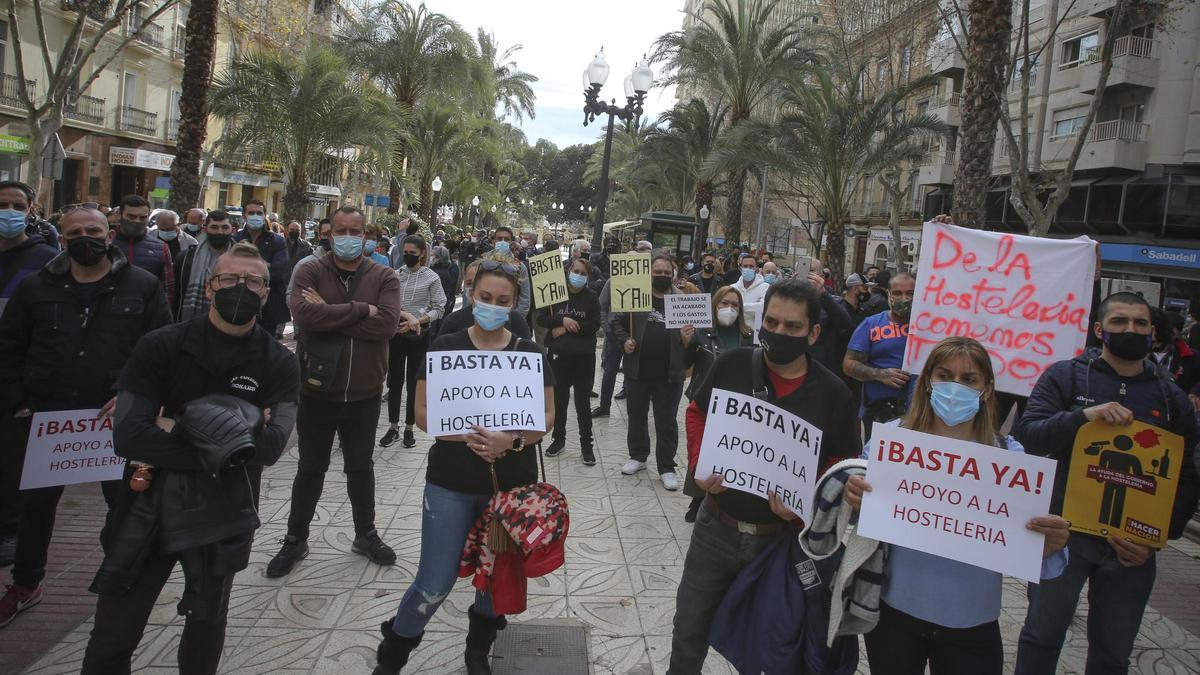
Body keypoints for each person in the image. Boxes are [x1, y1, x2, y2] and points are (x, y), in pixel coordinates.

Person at [79, 243, 299, 673]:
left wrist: (174, 423)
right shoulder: (162, 345)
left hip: (224, 511)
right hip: (147, 502)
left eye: (253, 281)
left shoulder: (278, 362)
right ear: (211, 285)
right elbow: (129, 435)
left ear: (267, 292)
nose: (242, 287)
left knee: (206, 626)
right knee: (113, 634)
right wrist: (237, 435)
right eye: (231, 279)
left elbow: (271, 448)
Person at [371, 253, 554, 675]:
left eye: (502, 299)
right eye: (485, 296)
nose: (493, 305)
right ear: (471, 295)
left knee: (496, 578)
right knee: (435, 580)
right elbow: (421, 412)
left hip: (510, 491)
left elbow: (546, 417)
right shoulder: (444, 347)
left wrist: (512, 440)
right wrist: (469, 437)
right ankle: (395, 649)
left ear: (514, 304)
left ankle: (478, 649)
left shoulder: (530, 353)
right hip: (450, 484)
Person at [844, 337, 1071, 675]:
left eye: (969, 380)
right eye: (944, 376)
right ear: (928, 382)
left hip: (972, 622)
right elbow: (858, 514)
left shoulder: (1011, 459)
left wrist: (1050, 546)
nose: (955, 388)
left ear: (987, 390)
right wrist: (855, 497)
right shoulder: (892, 442)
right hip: (895, 613)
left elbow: (1038, 551)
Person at [669, 279, 860, 673]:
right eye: (771, 322)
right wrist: (698, 464)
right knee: (688, 630)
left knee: (765, 647)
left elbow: (843, 462)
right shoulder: (731, 364)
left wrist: (805, 506)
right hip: (715, 529)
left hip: (780, 545)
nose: (779, 333)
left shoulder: (834, 393)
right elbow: (697, 412)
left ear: (814, 332)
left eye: (792, 327)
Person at [0, 204, 171, 628]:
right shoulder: (36, 288)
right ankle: (25, 584)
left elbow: (161, 349)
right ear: (62, 238)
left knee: (124, 504)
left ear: (109, 234)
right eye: (74, 232)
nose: (85, 238)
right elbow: (9, 349)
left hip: (116, 417)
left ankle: (122, 579)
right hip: (47, 416)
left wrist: (136, 397)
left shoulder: (143, 286)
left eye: (93, 229)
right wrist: (20, 401)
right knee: (36, 507)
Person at [1013, 291, 1200, 675]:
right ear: (1100, 330)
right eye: (1119, 322)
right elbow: (1030, 434)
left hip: (1131, 548)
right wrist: (1082, 417)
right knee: (1041, 636)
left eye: (1140, 323)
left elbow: (1186, 474)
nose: (1130, 329)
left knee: (1113, 652)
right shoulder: (1064, 376)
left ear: (1153, 333)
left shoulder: (1172, 399)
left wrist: (1155, 539)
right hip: (1063, 536)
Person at [267, 206, 402, 577]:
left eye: (354, 231)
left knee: (361, 468)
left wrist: (332, 313)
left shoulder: (384, 275)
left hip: (365, 392)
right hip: (317, 391)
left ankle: (366, 534)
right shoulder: (310, 270)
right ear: (329, 233)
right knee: (310, 467)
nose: (347, 236)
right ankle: (295, 539)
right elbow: (304, 317)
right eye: (340, 230)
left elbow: (388, 325)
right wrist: (361, 310)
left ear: (365, 235)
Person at [0, 181, 57, 566]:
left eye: (16, 204)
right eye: (2, 204)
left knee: (11, 456)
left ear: (31, 208)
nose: (9, 211)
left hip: (19, 374)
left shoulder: (46, 259)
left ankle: (8, 529)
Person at [611, 255, 691, 491]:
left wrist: (688, 339)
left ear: (673, 274)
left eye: (667, 272)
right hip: (638, 372)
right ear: (649, 273)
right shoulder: (636, 295)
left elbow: (694, 336)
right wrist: (624, 341)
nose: (662, 275)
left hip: (670, 375)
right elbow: (617, 322)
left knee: (666, 423)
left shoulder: (682, 300)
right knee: (636, 416)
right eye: (658, 271)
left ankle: (666, 467)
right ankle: (638, 456)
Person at [680, 285, 753, 522]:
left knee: (728, 451)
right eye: (724, 303)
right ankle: (697, 498)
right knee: (701, 449)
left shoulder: (748, 335)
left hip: (736, 404)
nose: (729, 309)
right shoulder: (700, 331)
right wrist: (685, 343)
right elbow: (685, 364)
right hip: (705, 399)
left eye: (734, 305)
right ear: (715, 305)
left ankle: (724, 496)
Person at [380, 235, 447, 449]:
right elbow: (386, 303)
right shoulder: (394, 275)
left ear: (422, 254)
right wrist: (402, 317)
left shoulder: (432, 277)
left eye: (412, 253)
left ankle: (409, 428)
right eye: (405, 252)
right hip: (397, 332)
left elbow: (439, 307)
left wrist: (418, 320)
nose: (408, 256)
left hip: (419, 334)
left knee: (414, 382)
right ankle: (393, 426)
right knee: (394, 381)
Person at [539, 257, 601, 463]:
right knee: (560, 401)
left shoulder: (592, 297)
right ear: (568, 271)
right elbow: (542, 318)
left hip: (584, 358)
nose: (579, 276)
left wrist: (567, 326)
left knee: (583, 403)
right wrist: (560, 319)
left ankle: (586, 446)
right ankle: (558, 440)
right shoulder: (555, 293)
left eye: (583, 273)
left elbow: (594, 325)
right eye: (576, 271)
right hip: (559, 357)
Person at [843, 272, 916, 439]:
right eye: (897, 293)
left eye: (910, 293)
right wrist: (880, 374)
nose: (904, 298)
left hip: (919, 416)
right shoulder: (871, 324)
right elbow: (848, 364)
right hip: (879, 415)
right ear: (889, 294)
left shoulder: (931, 327)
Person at [234, 199, 289, 337]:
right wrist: (264, 264)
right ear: (244, 215)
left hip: (269, 307)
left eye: (259, 213)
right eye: (251, 213)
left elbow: (277, 273)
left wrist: (247, 265)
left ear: (265, 215)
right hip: (239, 303)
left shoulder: (277, 241)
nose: (255, 216)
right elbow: (231, 269)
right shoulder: (235, 239)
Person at [438, 260, 531, 339]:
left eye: (503, 301)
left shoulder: (517, 323)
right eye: (485, 298)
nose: (492, 306)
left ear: (514, 302)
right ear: (472, 293)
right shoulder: (452, 322)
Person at [173, 210, 235, 322]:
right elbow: (176, 293)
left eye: (225, 227)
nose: (220, 232)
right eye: (214, 227)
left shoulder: (241, 258)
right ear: (205, 229)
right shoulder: (186, 258)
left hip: (229, 319)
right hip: (192, 321)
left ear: (232, 230)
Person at [113, 194, 175, 303]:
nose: (137, 221)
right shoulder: (106, 243)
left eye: (142, 217)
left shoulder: (161, 248)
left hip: (147, 312)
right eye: (131, 216)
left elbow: (167, 289)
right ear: (119, 215)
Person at [491, 227, 531, 317]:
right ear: (493, 241)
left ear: (511, 242)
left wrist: (515, 320)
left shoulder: (520, 267)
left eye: (506, 239)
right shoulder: (483, 263)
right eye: (499, 238)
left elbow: (524, 299)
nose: (502, 241)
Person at [731, 255, 768, 327]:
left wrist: (738, 306)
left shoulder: (765, 287)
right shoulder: (732, 288)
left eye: (751, 266)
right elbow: (728, 309)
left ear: (756, 269)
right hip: (735, 329)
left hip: (755, 333)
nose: (748, 268)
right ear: (740, 268)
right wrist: (755, 307)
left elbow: (763, 308)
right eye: (745, 266)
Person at [429, 244, 459, 323]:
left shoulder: (450, 268)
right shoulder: (433, 268)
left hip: (442, 302)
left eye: (433, 256)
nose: (432, 258)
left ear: (439, 257)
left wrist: (450, 299)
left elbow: (452, 285)